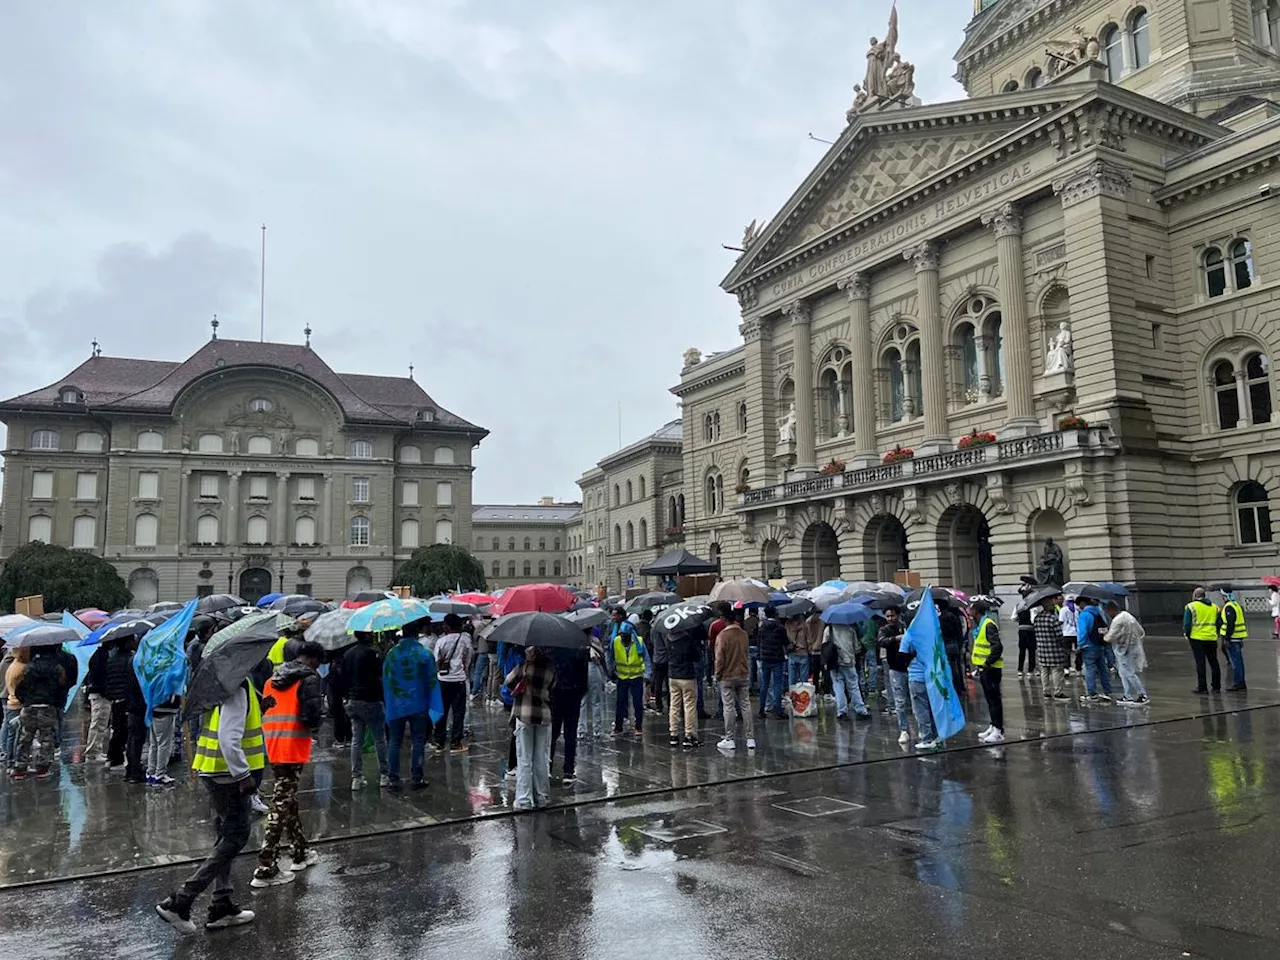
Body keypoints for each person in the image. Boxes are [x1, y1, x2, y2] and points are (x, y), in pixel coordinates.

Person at [156, 678, 261, 934]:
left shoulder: (226, 683)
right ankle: (180, 901)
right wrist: (243, 774)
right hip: (228, 776)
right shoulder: (238, 686)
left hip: (214, 771)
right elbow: (228, 737)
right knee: (235, 837)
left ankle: (221, 904)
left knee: (224, 839)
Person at [251, 641, 325, 886]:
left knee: (288, 797)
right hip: (294, 744)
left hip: (272, 742)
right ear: (314, 659)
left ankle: (300, 852)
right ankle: (266, 865)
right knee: (281, 802)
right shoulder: (309, 678)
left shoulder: (273, 678)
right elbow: (311, 716)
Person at [382, 621, 439, 790]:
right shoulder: (424, 653)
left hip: (396, 703)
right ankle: (417, 777)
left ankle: (393, 778)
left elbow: (386, 679)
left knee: (394, 741)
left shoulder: (391, 654)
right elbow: (431, 681)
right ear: (417, 633)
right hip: (419, 703)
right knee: (418, 740)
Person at [506, 646, 557, 811]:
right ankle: (542, 797)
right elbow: (553, 688)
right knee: (541, 758)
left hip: (524, 715)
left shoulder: (524, 667)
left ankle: (524, 800)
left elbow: (508, 681)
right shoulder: (550, 669)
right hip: (543, 715)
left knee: (524, 759)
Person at [342, 630, 390, 790]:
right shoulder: (372, 654)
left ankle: (356, 777)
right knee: (379, 738)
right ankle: (385, 774)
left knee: (357, 740)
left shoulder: (348, 654)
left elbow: (344, 677)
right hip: (371, 700)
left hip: (353, 701)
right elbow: (380, 675)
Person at [10, 646, 66, 779]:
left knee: (25, 737)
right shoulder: (57, 668)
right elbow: (61, 689)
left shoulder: (29, 667)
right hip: (47, 706)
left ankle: (20, 767)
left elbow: (20, 688)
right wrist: (57, 703)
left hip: (30, 706)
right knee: (47, 738)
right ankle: (42, 768)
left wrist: (25, 700)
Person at [714, 609, 754, 750]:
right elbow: (747, 653)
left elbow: (719, 659)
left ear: (725, 619)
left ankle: (729, 738)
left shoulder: (722, 636)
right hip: (743, 674)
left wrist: (717, 675)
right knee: (746, 705)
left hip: (727, 676)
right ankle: (750, 738)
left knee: (729, 707)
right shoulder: (744, 634)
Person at [433, 614, 473, 755]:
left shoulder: (441, 641)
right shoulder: (465, 640)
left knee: (441, 711)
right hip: (459, 680)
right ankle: (456, 743)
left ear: (448, 625)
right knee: (458, 712)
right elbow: (468, 659)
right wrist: (463, 670)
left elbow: (436, 660)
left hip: (443, 680)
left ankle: (439, 741)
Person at [605, 609, 648, 737]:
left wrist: (647, 675)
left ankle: (638, 726)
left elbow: (646, 659)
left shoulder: (639, 642)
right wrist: (611, 671)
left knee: (637, 703)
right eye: (622, 635)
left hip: (636, 676)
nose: (623, 638)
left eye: (626, 636)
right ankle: (618, 727)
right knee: (620, 703)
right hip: (622, 676)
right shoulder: (616, 641)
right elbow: (611, 657)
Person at [549, 644, 588, 783]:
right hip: (573, 696)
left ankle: (548, 767)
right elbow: (584, 679)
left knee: (552, 735)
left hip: (556, 696)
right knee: (570, 735)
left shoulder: (552, 650)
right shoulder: (581, 651)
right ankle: (568, 771)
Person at [971, 599, 1005, 743]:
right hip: (984, 669)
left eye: (971, 609)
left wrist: (987, 663)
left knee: (994, 699)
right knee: (990, 700)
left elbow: (997, 647)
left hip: (991, 669)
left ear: (977, 611)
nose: (969, 612)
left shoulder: (988, 625)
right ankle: (993, 725)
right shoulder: (981, 625)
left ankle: (998, 730)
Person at [877, 607, 913, 745]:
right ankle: (903, 729)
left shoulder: (905, 627)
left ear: (898, 615)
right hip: (895, 669)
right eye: (887, 616)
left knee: (915, 700)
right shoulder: (884, 630)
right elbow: (881, 641)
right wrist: (895, 639)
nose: (890, 618)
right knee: (900, 701)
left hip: (909, 667)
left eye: (892, 615)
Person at [667, 619, 704, 749]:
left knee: (674, 705)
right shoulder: (687, 640)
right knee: (689, 706)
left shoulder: (669, 639)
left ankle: (673, 734)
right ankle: (689, 735)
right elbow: (696, 656)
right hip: (687, 675)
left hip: (673, 676)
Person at [825, 617, 870, 720]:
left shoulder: (829, 629)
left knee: (838, 687)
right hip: (849, 661)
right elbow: (857, 648)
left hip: (834, 663)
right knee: (853, 686)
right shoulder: (850, 629)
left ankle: (841, 712)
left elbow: (825, 645)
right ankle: (861, 710)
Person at [1104, 601, 1149, 705]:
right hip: (1133, 647)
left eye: (1107, 612)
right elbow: (1141, 631)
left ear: (1111, 610)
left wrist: (1105, 635)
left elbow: (1110, 637)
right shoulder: (1129, 616)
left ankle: (1142, 694)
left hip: (1124, 649)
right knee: (1123, 673)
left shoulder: (1117, 620)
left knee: (1128, 673)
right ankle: (1127, 695)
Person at [104, 637, 136, 772]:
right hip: (126, 699)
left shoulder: (111, 659)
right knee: (124, 730)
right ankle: (116, 758)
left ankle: (112, 756)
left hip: (115, 699)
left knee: (118, 729)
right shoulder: (130, 659)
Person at [1183, 586, 1221, 694]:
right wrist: (1215, 633)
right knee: (1214, 662)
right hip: (1211, 638)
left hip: (1197, 638)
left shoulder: (1191, 607)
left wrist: (1187, 634)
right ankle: (1216, 686)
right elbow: (1219, 623)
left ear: (1195, 595)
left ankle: (1202, 687)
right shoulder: (1215, 607)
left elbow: (1187, 624)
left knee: (1200, 663)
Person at [1076, 597, 1114, 703]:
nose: (1079, 607)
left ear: (1083, 603)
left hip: (1089, 646)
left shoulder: (1084, 615)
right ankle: (1107, 690)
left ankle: (1092, 693)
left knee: (1090, 669)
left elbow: (1083, 631)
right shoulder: (1098, 613)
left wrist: (1080, 644)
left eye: (1079, 605)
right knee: (1102, 669)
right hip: (1100, 645)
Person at [1033, 595, 1070, 701]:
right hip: (1054, 649)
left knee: (1044, 671)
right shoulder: (1052, 619)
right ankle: (1058, 692)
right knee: (1056, 671)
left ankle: (1046, 692)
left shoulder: (1037, 618)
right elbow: (1059, 635)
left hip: (1042, 649)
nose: (1053, 605)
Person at [82, 639, 113, 763]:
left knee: (100, 723)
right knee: (99, 723)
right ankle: (93, 752)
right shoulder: (102, 657)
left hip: (98, 693)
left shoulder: (98, 656)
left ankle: (95, 750)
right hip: (101, 694)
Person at [756, 605, 788, 719]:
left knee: (764, 684)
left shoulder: (761, 627)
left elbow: (758, 642)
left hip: (764, 658)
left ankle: (761, 709)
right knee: (777, 684)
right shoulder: (780, 627)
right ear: (775, 614)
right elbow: (785, 642)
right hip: (777, 658)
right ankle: (778, 710)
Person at [145, 693, 182, 785]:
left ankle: (151, 772)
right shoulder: (170, 678)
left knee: (153, 744)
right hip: (166, 710)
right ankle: (160, 774)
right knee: (164, 744)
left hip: (153, 708)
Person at [1217, 588, 1247, 692]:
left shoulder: (1229, 607)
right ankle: (1241, 682)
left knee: (1236, 662)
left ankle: (1238, 683)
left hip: (1233, 638)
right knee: (1239, 661)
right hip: (1238, 637)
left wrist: (1227, 638)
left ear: (1224, 596)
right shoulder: (1236, 605)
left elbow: (1230, 624)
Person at [577, 635, 607, 741]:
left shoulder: (576, 640)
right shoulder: (594, 640)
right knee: (596, 701)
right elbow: (602, 656)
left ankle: (581, 730)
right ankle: (597, 730)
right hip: (593, 668)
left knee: (582, 702)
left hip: (580, 670)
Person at [937, 602, 967, 697]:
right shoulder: (954, 617)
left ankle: (954, 690)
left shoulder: (941, 618)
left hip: (947, 646)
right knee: (956, 667)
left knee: (951, 669)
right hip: (955, 645)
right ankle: (959, 688)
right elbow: (959, 632)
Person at [647, 608, 670, 715]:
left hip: (656, 658)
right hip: (665, 658)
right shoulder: (664, 629)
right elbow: (667, 643)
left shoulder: (653, 629)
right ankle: (669, 703)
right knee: (668, 682)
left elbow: (652, 642)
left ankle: (658, 705)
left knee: (658, 683)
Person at [1059, 596, 1080, 676]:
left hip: (1066, 633)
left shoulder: (1063, 609)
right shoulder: (1077, 609)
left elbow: (1061, 621)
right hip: (1076, 633)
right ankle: (1078, 668)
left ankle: (1066, 668)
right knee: (1078, 652)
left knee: (1066, 651)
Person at [1015, 604, 1036, 680]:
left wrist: (1020, 620)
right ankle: (1030, 670)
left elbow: (1013, 618)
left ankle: (1020, 670)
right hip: (1030, 630)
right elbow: (1033, 619)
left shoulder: (1018, 606)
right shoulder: (1033, 606)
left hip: (1021, 630)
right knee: (1031, 651)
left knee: (1022, 651)